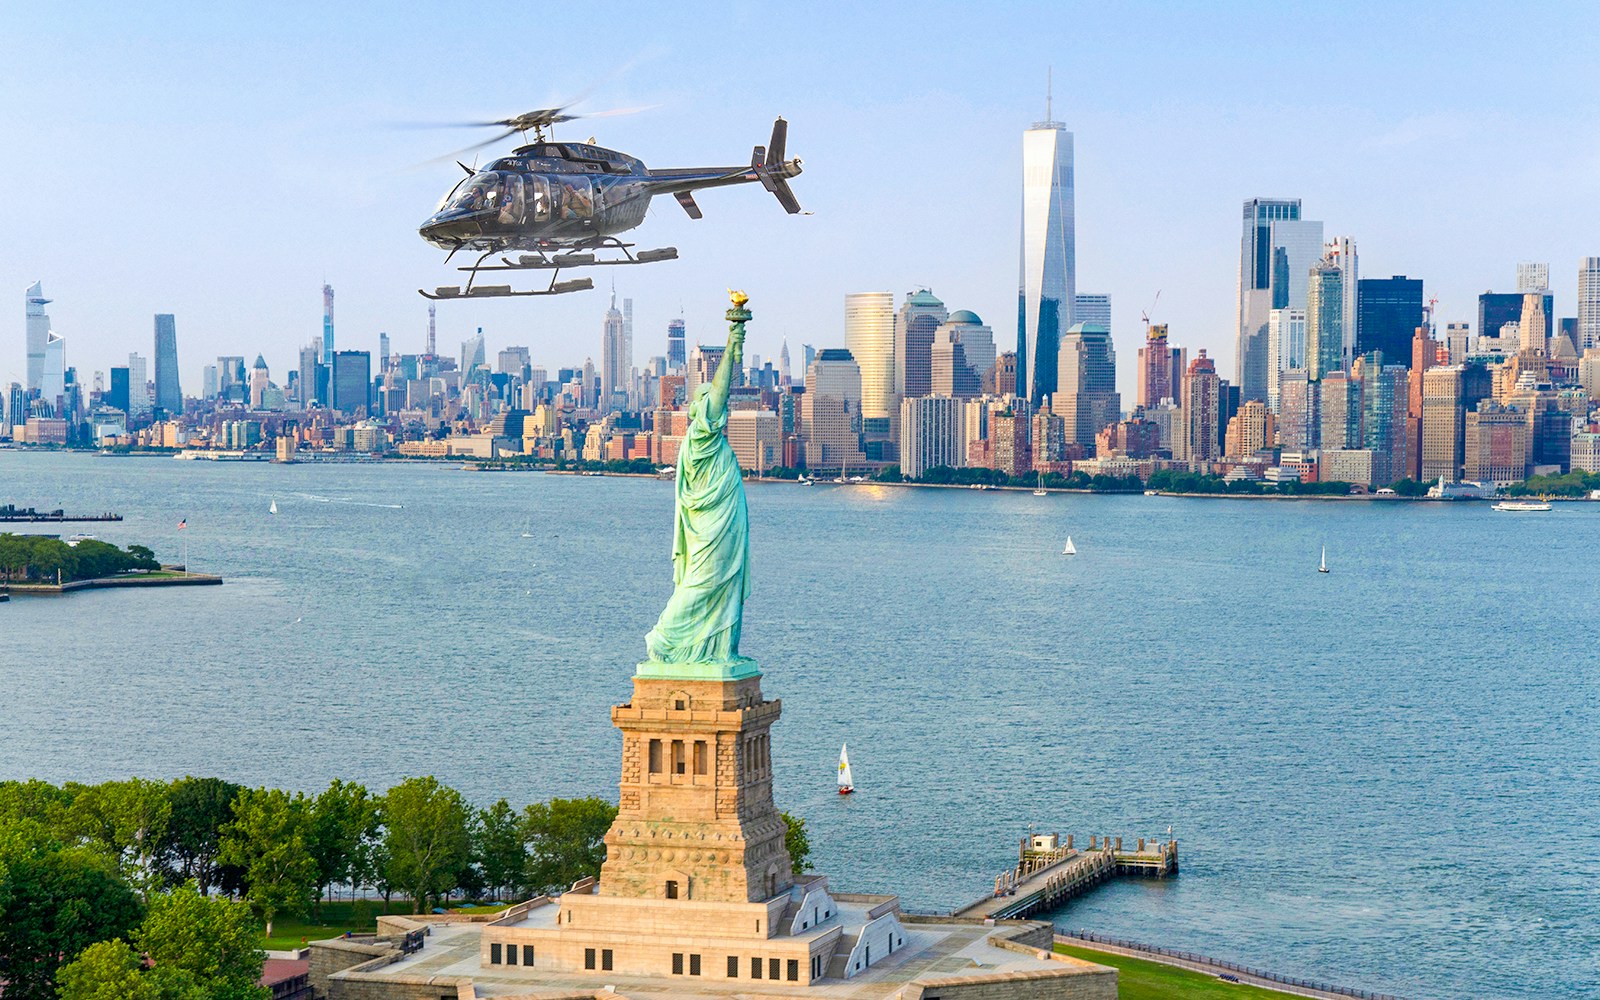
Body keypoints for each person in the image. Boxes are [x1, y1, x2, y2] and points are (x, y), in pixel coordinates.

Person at [644, 294, 751, 665]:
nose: (720, 405)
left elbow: (723, 389)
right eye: (712, 401)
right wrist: (733, 338)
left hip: (722, 520)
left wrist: (735, 344)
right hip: (711, 526)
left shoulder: (706, 440)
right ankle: (666, 639)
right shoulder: (702, 435)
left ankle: (718, 648)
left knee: (723, 587)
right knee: (705, 583)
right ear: (703, 409)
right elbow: (721, 390)